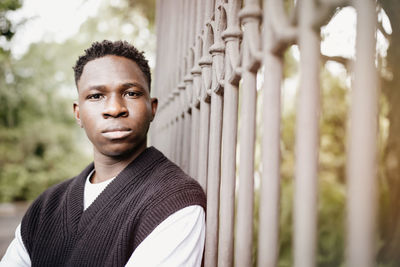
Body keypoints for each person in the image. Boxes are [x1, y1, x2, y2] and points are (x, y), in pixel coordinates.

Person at [0, 40, 206, 267]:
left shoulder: (175, 201)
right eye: (96, 96)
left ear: (152, 108)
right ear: (78, 114)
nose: (115, 108)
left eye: (131, 93)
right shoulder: (46, 206)